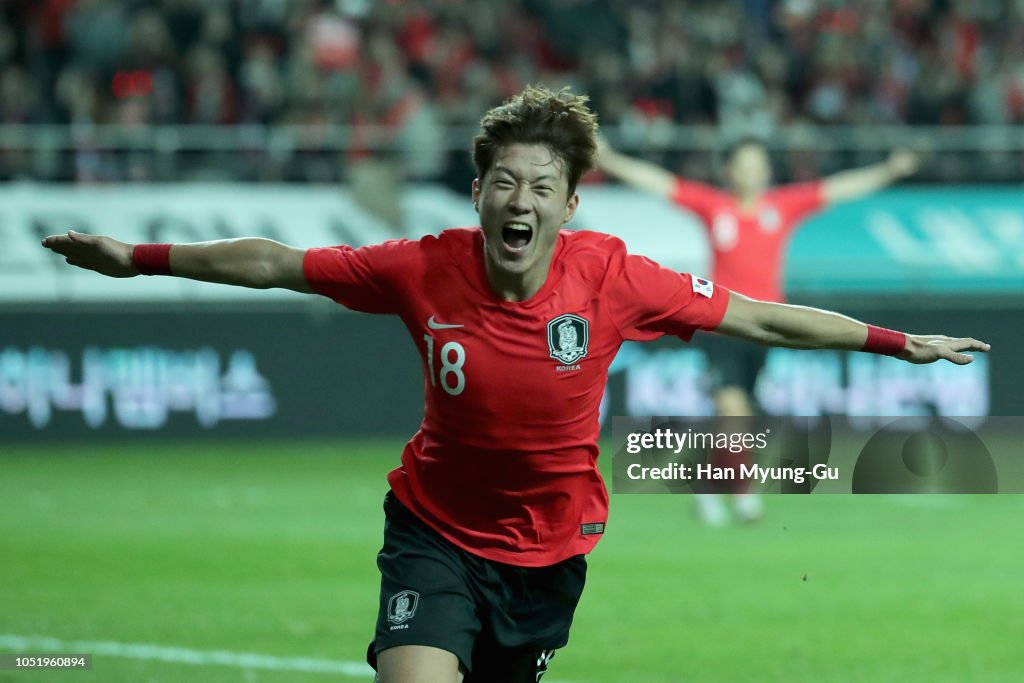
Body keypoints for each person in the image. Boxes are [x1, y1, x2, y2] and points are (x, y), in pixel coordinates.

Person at [41, 86, 985, 683]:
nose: (517, 201)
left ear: (569, 204)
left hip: (545, 556)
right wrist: (140, 257)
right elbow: (278, 263)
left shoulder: (615, 276)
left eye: (539, 186)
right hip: (432, 534)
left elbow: (760, 315)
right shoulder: (422, 266)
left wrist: (895, 343)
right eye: (501, 181)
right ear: (478, 191)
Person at [596, 135, 921, 525]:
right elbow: (660, 182)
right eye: (744, 164)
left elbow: (839, 188)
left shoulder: (782, 207)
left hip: (767, 330)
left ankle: (707, 485)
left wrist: (888, 170)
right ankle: (744, 493)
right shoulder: (714, 207)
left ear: (767, 170)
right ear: (729, 170)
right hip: (720, 327)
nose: (752, 172)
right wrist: (611, 160)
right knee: (731, 410)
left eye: (758, 164)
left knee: (741, 419)